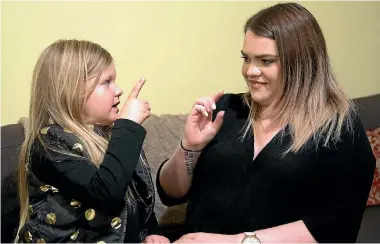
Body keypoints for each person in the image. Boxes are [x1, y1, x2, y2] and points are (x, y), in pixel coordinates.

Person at [157, 2, 376, 243]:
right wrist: (190, 146)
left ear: (301, 63)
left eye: (266, 61)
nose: (250, 71)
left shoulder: (338, 128)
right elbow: (171, 193)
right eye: (246, 58)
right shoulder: (226, 110)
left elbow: (337, 225)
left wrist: (236, 242)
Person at [16, 39, 169, 243]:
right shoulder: (49, 144)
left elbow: (138, 199)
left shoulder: (112, 136)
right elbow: (106, 194)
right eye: (106, 82)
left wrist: (151, 233)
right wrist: (128, 126)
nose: (118, 90)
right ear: (70, 91)